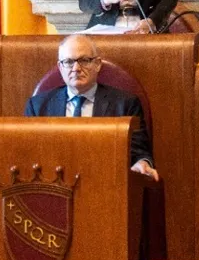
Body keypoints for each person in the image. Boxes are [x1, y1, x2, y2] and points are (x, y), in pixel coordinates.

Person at [25, 34, 158, 180]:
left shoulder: (125, 103)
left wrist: (141, 163)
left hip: (106, 183)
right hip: (55, 186)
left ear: (98, 64)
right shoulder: (37, 106)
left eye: (84, 60)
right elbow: (30, 155)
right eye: (69, 62)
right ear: (60, 67)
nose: (76, 68)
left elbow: (137, 151)